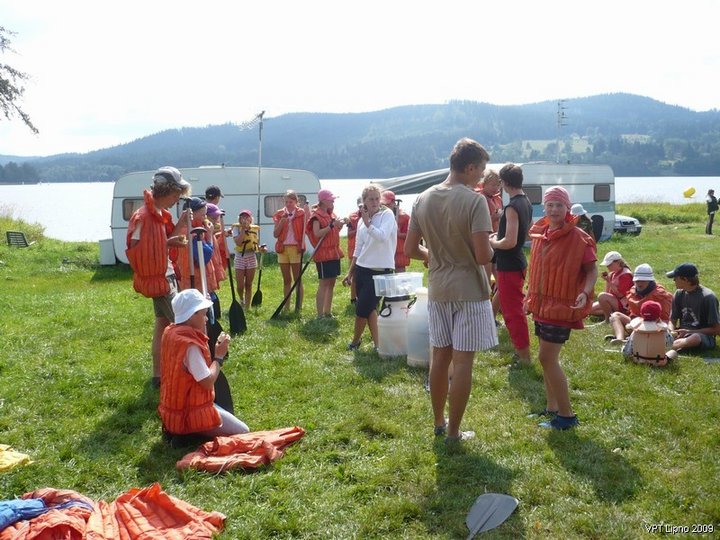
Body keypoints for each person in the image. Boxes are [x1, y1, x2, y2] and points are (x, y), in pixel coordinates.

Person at [404, 138, 497, 443]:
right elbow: (482, 256)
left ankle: (438, 422)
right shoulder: (474, 201)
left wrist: (433, 256)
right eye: (480, 170)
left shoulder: (422, 198)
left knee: (440, 358)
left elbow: (409, 249)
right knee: (463, 362)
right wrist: (494, 246)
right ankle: (454, 432)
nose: (481, 176)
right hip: (469, 290)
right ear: (469, 168)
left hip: (439, 288)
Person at [526, 186, 597, 430]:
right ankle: (552, 408)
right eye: (550, 205)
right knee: (546, 359)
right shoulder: (540, 234)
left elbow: (591, 270)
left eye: (559, 205)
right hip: (541, 305)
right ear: (544, 208)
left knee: (547, 358)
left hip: (561, 305)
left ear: (567, 208)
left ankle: (567, 416)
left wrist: (585, 292)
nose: (554, 209)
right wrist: (529, 295)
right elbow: (537, 269)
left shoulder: (579, 238)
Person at [126, 166, 191, 388]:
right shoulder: (143, 217)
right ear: (166, 190)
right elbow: (137, 250)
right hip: (160, 279)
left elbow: (157, 244)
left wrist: (179, 227)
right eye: (176, 195)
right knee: (184, 325)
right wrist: (166, 244)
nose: (176, 200)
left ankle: (158, 376)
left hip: (165, 274)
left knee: (162, 324)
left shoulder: (158, 214)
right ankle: (186, 374)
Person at [158, 288, 249, 439]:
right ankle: (190, 434)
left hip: (172, 412)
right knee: (244, 431)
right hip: (189, 414)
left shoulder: (171, 332)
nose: (206, 319)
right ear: (191, 315)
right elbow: (207, 382)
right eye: (203, 314)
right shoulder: (190, 346)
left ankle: (186, 433)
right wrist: (219, 357)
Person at [344, 185, 397, 351]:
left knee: (361, 310)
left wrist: (368, 224)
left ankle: (355, 342)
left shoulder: (387, 215)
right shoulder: (362, 220)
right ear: (364, 201)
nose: (374, 202)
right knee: (370, 309)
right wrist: (350, 272)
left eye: (377, 198)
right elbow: (358, 248)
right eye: (371, 199)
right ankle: (378, 344)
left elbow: (382, 237)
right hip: (362, 269)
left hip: (380, 272)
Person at [489, 163, 533, 364]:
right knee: (513, 308)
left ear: (505, 183)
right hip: (518, 262)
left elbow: (510, 242)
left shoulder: (511, 207)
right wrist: (498, 235)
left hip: (509, 265)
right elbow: (526, 232)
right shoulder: (526, 201)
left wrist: (493, 242)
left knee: (512, 313)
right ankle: (521, 351)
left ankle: (523, 356)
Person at [665, 263, 720, 361]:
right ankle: (671, 345)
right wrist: (671, 331)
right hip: (682, 333)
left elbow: (716, 329)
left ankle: (666, 348)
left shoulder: (708, 297)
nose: (673, 281)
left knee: (695, 338)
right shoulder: (679, 294)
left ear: (685, 279)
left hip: (701, 335)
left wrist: (690, 331)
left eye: (675, 278)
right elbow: (672, 320)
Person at [606, 263, 673, 345]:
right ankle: (620, 339)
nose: (639, 283)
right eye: (637, 280)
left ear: (650, 281)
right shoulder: (632, 292)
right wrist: (635, 323)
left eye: (643, 280)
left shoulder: (660, 295)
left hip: (654, 325)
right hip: (636, 322)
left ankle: (636, 338)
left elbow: (665, 320)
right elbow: (632, 314)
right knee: (615, 316)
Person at [306, 189, 347, 318]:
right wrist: (331, 226)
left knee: (332, 283)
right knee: (324, 283)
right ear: (323, 201)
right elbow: (317, 234)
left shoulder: (331, 214)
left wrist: (340, 225)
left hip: (334, 253)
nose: (333, 201)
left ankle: (328, 312)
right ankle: (320, 315)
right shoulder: (316, 216)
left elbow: (334, 231)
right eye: (331, 200)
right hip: (323, 254)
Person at [273, 190, 306, 312]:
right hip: (283, 249)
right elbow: (275, 234)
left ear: (296, 201)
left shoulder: (302, 213)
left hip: (295, 248)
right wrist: (282, 222)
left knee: (297, 279)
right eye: (286, 202)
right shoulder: (279, 214)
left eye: (291, 202)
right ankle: (286, 307)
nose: (288, 204)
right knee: (286, 280)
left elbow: (306, 229)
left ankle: (298, 307)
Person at [232, 210, 265, 308]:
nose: (244, 219)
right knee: (240, 285)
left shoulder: (254, 229)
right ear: (239, 219)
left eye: (246, 217)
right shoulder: (236, 228)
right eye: (242, 217)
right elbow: (238, 242)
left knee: (248, 284)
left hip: (251, 256)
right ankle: (241, 299)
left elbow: (255, 244)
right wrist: (243, 229)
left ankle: (247, 306)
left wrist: (261, 249)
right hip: (240, 257)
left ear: (250, 219)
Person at [589, 251, 633, 322]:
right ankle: (612, 314)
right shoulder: (613, 273)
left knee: (602, 296)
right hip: (615, 301)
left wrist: (609, 281)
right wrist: (608, 281)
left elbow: (620, 295)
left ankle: (607, 319)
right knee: (590, 310)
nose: (607, 266)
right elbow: (607, 292)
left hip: (624, 305)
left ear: (618, 262)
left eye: (609, 264)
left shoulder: (625, 275)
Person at [381, 190, 410, 272]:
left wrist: (398, 234)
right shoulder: (380, 215)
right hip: (385, 252)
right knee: (385, 276)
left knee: (400, 276)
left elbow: (410, 236)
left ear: (394, 202)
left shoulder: (404, 216)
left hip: (399, 252)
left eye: (387, 204)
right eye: (383, 204)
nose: (385, 206)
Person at [345, 198, 362, 304]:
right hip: (353, 249)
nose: (361, 208)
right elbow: (349, 234)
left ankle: (362, 297)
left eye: (363, 206)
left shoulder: (373, 215)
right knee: (354, 275)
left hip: (366, 250)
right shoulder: (352, 216)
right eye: (360, 206)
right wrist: (359, 229)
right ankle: (353, 298)